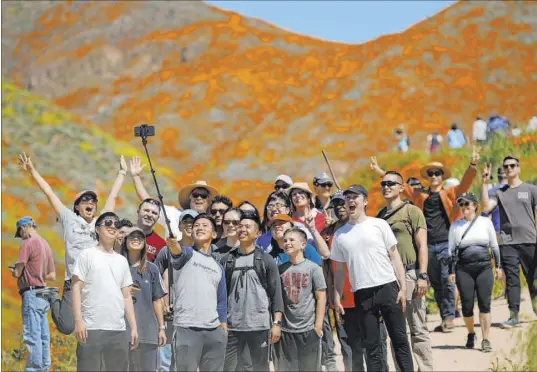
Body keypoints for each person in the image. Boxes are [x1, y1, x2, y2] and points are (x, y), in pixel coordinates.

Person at [370, 147, 480, 333]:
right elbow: (401, 187)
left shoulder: (450, 193)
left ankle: (450, 317)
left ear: (442, 176)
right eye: (431, 173)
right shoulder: (420, 195)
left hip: (445, 242)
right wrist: (380, 171)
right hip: (427, 245)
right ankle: (445, 317)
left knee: (447, 281)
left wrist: (472, 165)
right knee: (435, 283)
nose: (434, 176)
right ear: (428, 176)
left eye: (437, 173)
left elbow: (465, 184)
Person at [18, 152, 127, 335]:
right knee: (66, 326)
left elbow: (112, 200)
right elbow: (49, 193)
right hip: (73, 281)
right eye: (85, 200)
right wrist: (32, 170)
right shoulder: (68, 218)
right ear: (77, 206)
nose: (90, 203)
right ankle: (53, 297)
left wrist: (122, 173)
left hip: (96, 281)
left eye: (93, 201)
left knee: (94, 326)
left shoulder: (100, 223)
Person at [332, 184, 414, 372]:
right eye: (348, 198)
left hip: (388, 287)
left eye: (355, 197)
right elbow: (339, 270)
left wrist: (402, 288)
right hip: (362, 293)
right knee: (372, 346)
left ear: (365, 201)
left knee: (399, 339)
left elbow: (395, 256)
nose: (350, 201)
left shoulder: (379, 224)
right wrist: (337, 296)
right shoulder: (340, 235)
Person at [377, 171, 434, 371]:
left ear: (401, 188)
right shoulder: (380, 217)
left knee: (418, 328)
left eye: (392, 183)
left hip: (410, 275)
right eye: (383, 183)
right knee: (396, 331)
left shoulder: (412, 211)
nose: (386, 186)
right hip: (388, 279)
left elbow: (423, 246)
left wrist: (423, 275)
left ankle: (426, 368)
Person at [71, 212, 138, 372]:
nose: (113, 226)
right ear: (97, 229)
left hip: (118, 330)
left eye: (116, 223)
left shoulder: (122, 261)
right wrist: (79, 322)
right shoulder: (86, 255)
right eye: (108, 222)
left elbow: (126, 295)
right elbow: (76, 289)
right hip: (91, 328)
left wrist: (133, 327)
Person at [221, 213, 284, 372]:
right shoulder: (227, 259)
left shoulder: (265, 259)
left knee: (259, 368)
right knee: (229, 368)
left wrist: (276, 323)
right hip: (232, 327)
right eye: (240, 226)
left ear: (258, 233)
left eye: (247, 227)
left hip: (259, 326)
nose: (242, 229)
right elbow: (221, 295)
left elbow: (276, 293)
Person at [166, 213, 228, 372]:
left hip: (214, 331)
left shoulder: (218, 266)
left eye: (204, 225)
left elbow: (221, 301)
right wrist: (172, 243)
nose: (199, 227)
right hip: (187, 328)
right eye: (196, 226)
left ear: (214, 234)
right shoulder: (186, 254)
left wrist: (222, 328)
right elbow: (176, 251)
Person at [481, 157, 537, 327]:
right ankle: (514, 316)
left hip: (530, 241)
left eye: (512, 165)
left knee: (533, 278)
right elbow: (485, 207)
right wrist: (484, 183)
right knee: (512, 280)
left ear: (518, 168)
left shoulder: (531, 189)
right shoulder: (499, 192)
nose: (509, 168)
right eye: (506, 166)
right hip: (508, 243)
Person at [448, 192, 502, 352]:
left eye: (467, 204)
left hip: (484, 267)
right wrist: (451, 272)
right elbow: (451, 251)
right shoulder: (455, 226)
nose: (464, 207)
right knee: (467, 306)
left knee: (485, 304)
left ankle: (486, 339)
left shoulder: (485, 222)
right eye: (461, 204)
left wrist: (498, 266)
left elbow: (494, 246)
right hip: (463, 269)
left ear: (475, 206)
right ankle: (471, 333)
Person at [274, 228, 327, 371]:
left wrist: (318, 325)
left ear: (303, 244)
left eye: (292, 240)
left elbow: (321, 297)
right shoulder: (279, 270)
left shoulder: (313, 268)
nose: (287, 243)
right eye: (285, 241)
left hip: (308, 329)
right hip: (286, 330)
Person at [130, 155, 219, 239]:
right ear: (190, 198)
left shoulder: (214, 222)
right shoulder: (172, 214)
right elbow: (148, 202)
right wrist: (136, 176)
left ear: (208, 200)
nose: (199, 198)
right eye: (195, 195)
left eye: (203, 196)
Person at [154, 209, 198, 372]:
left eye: (192, 222)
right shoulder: (167, 251)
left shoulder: (204, 251)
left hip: (195, 316)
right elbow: (156, 277)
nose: (189, 225)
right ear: (179, 226)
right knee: (165, 362)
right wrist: (163, 301)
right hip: (171, 314)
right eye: (185, 222)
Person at [11, 216, 56, 372]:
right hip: (43, 294)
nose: (21, 236)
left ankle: (33, 369)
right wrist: (37, 271)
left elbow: (18, 271)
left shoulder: (28, 243)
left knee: (32, 335)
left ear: (24, 228)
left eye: (20, 232)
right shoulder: (45, 244)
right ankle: (44, 368)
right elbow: (52, 275)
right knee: (44, 336)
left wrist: (15, 272)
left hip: (30, 293)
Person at [120, 227, 167, 371]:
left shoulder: (151, 269)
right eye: (132, 237)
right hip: (122, 332)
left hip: (148, 333)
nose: (135, 239)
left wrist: (161, 328)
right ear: (124, 241)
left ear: (145, 243)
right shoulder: (117, 265)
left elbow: (157, 300)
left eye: (139, 237)